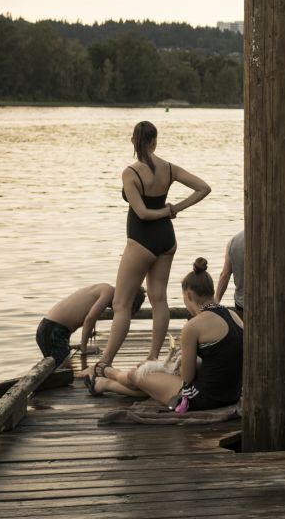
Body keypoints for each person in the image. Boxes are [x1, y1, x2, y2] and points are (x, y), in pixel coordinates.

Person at [95, 121, 211, 377]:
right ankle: (153, 357)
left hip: (141, 241)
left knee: (121, 304)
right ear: (154, 141)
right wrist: (174, 209)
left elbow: (143, 213)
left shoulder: (130, 173)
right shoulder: (168, 169)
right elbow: (204, 188)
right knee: (159, 299)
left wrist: (168, 211)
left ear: (133, 141)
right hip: (166, 240)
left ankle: (104, 363)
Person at [92, 258, 243, 411]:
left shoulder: (194, 326)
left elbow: (186, 377)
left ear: (189, 295)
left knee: (138, 375)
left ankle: (109, 372)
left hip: (204, 398)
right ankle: (105, 384)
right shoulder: (234, 316)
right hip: (231, 395)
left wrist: (182, 359)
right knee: (155, 385)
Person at [215, 231, 285, 318]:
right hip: (270, 306)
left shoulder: (233, 241)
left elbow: (224, 275)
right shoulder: (274, 241)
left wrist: (216, 301)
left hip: (242, 306)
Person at [38, 282, 144, 369]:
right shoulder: (108, 292)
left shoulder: (105, 288)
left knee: (62, 365)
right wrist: (84, 347)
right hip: (52, 331)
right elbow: (90, 319)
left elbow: (72, 317)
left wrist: (69, 343)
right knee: (61, 369)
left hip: (54, 329)